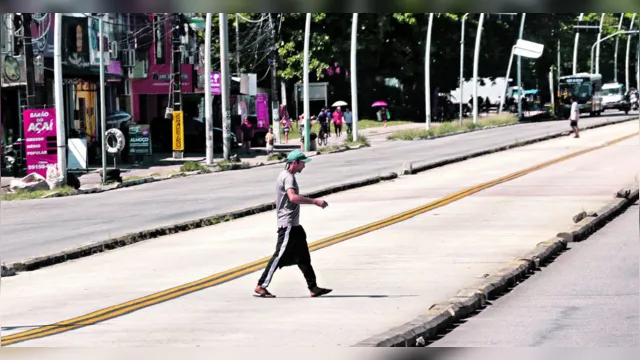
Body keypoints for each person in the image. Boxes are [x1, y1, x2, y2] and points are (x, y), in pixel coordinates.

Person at [255, 150, 333, 298]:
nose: (304, 166)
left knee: (304, 257)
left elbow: (279, 199)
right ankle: (261, 285)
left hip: (294, 226)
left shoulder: (283, 176)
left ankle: (313, 287)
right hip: (288, 225)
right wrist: (315, 201)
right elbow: (292, 197)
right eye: (302, 163)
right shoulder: (288, 177)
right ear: (295, 163)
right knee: (278, 256)